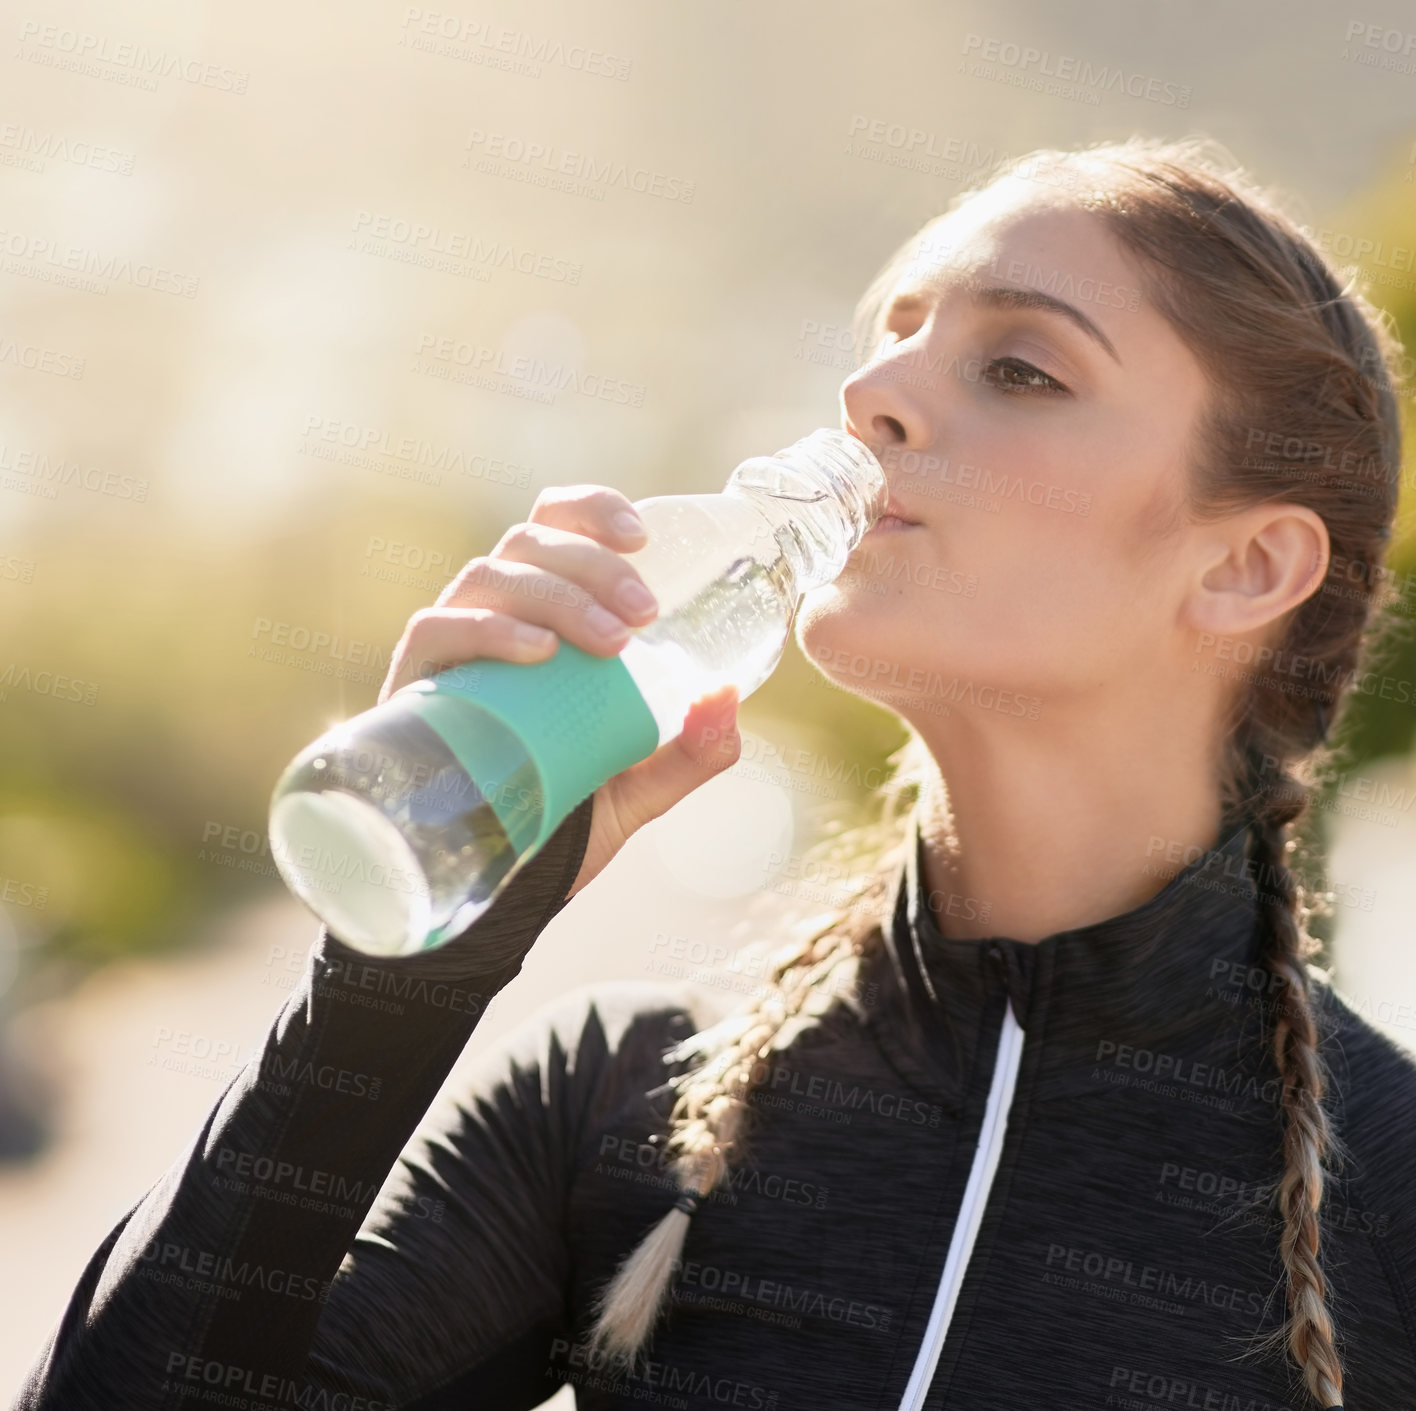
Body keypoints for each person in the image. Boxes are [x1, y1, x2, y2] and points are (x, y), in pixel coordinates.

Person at [15, 136, 1415, 1411]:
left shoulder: (1394, 1192)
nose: (872, 395)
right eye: (891, 337)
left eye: (1022, 368)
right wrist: (402, 968)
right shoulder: (624, 1103)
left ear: (1245, 565)